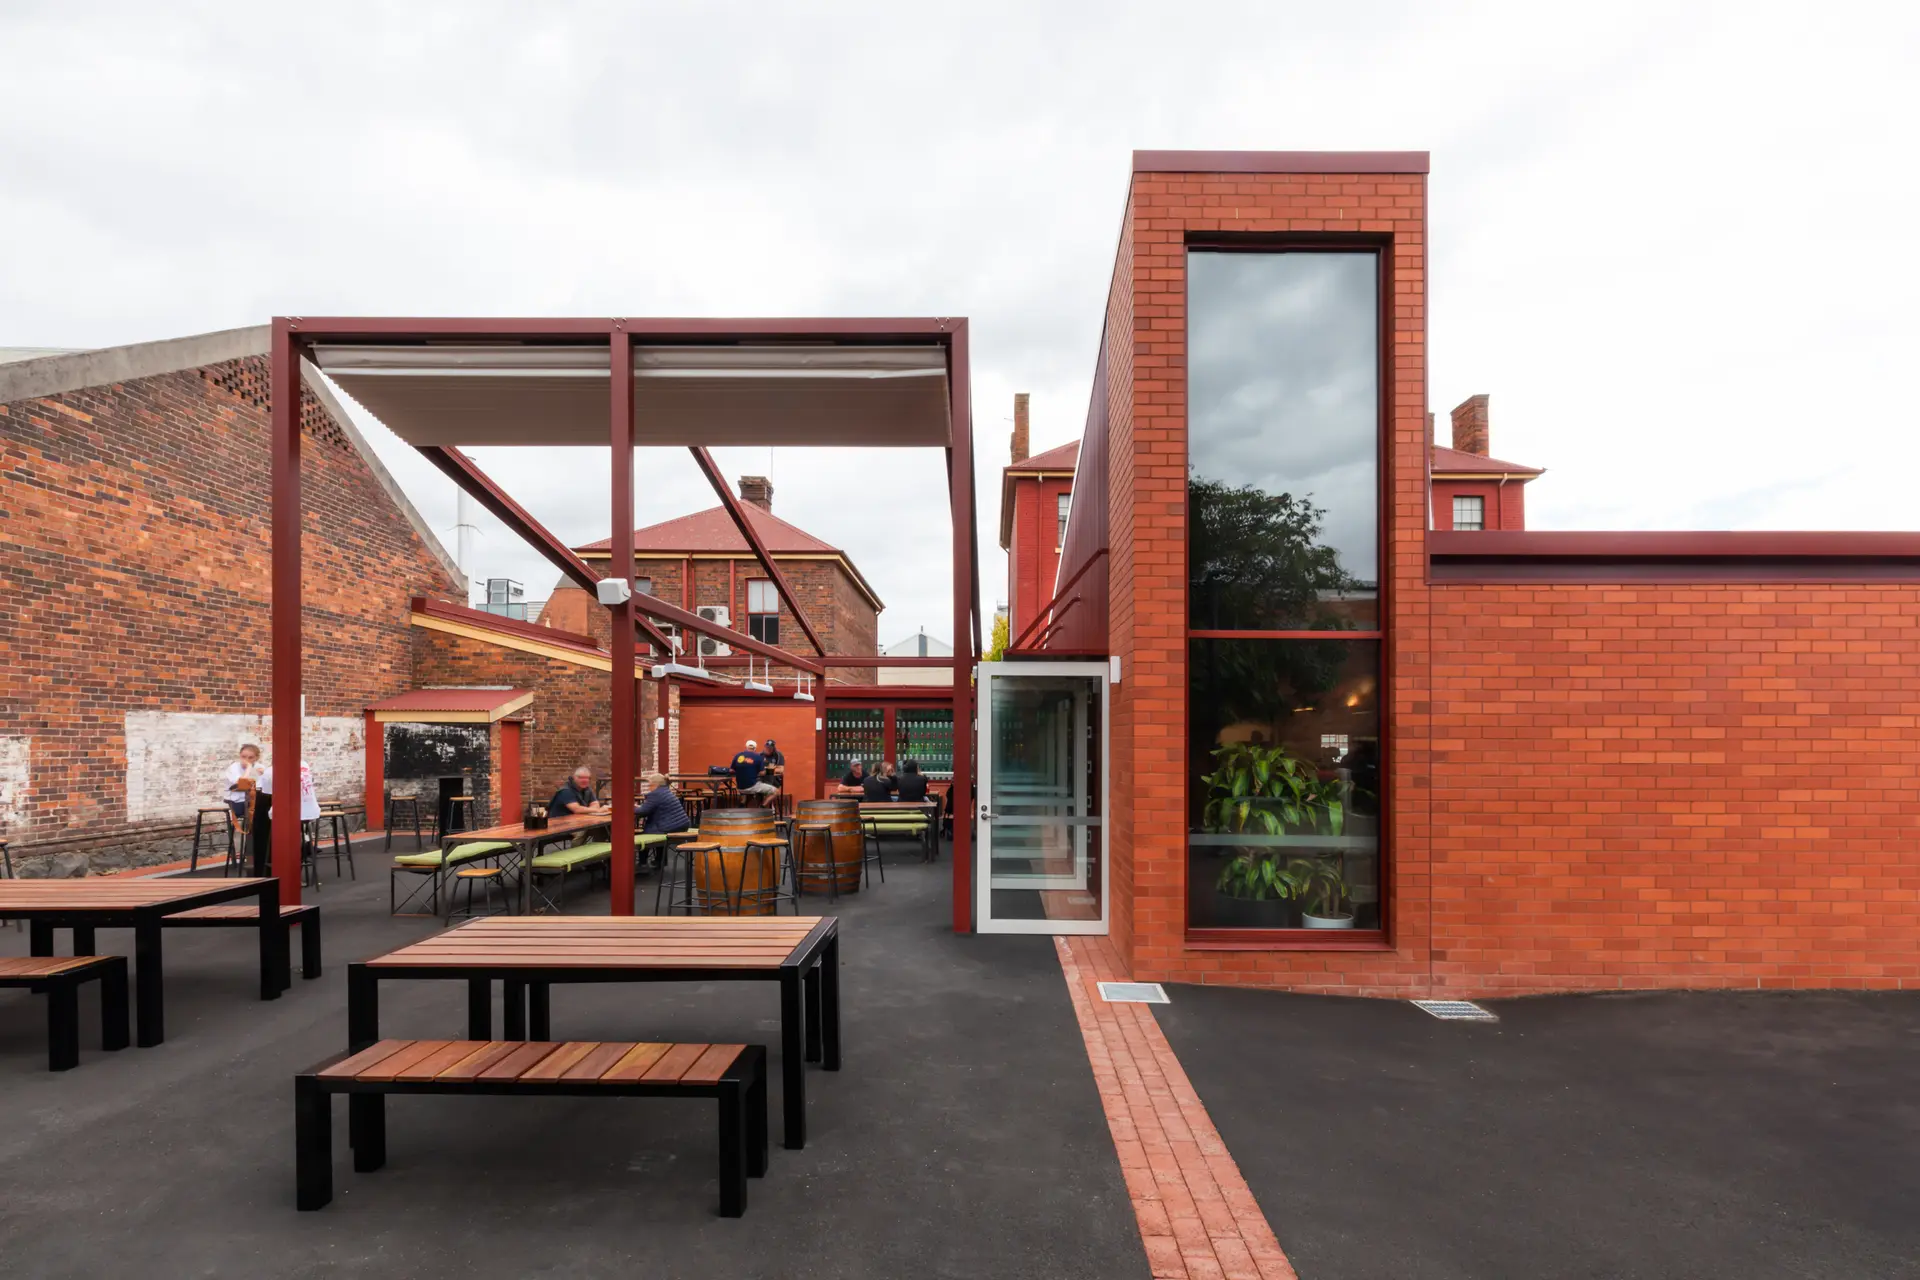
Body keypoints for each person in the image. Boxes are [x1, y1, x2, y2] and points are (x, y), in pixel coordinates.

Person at [222, 743, 263, 825]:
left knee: (267, 807)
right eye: (243, 757)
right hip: (237, 801)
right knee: (259, 811)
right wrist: (249, 767)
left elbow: (262, 786)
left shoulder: (260, 767)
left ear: (256, 758)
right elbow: (242, 784)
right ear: (240, 756)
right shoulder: (233, 768)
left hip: (254, 800)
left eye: (251, 757)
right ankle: (252, 835)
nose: (246, 760)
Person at [731, 739, 777, 805]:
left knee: (753, 790)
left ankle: (742, 805)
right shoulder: (758, 757)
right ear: (755, 748)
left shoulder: (738, 755)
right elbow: (762, 773)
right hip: (752, 786)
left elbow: (731, 770)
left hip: (740, 787)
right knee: (776, 791)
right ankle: (763, 806)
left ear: (746, 747)